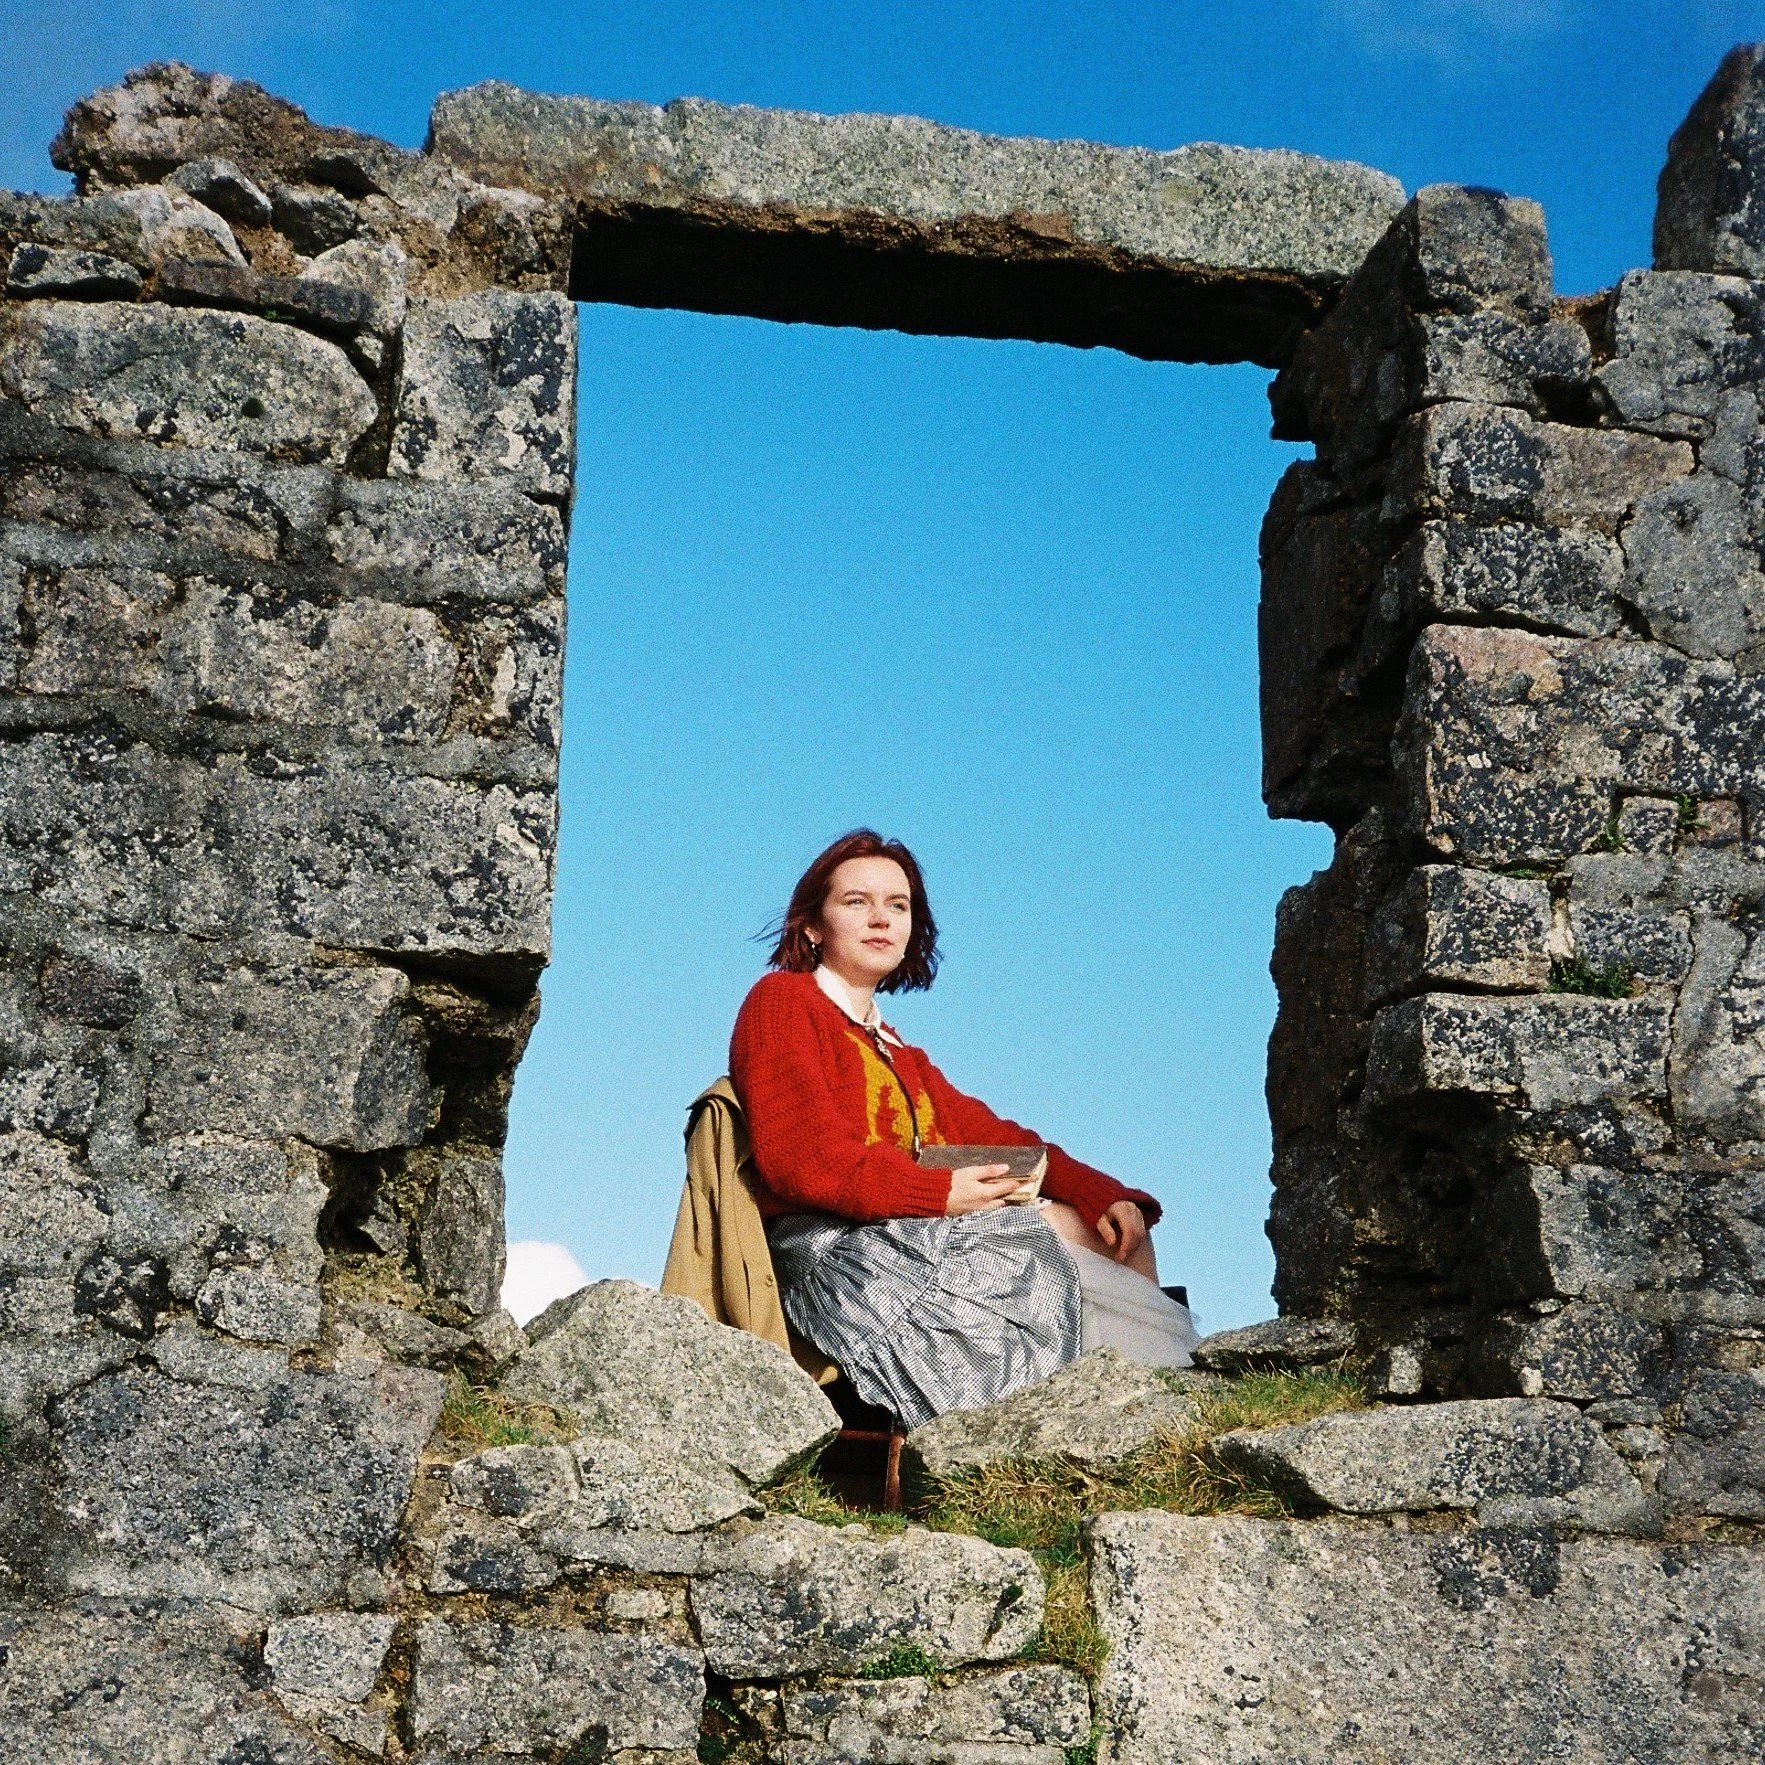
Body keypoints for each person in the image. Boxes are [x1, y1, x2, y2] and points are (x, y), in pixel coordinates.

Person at [730, 828, 1198, 1429]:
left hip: (907, 1235)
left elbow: (1003, 1137)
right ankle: (1075, 1428)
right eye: (856, 902)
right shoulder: (782, 1002)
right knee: (1048, 1231)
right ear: (813, 926)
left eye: (897, 906)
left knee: (1113, 1227)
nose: (880, 919)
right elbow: (802, 1158)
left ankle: (1152, 1425)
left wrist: (1099, 1190)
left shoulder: (902, 1055)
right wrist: (939, 1193)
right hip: (837, 1257)